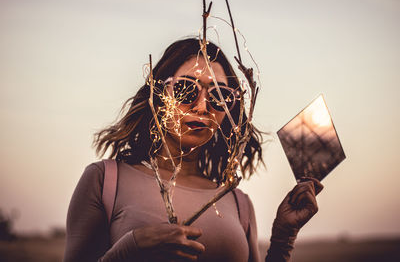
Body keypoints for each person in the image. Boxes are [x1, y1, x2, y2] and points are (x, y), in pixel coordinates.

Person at [63, 38, 323, 262]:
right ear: (158, 95)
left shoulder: (237, 202)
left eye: (220, 95)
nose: (202, 106)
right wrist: (129, 249)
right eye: (186, 89)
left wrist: (283, 237)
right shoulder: (106, 180)